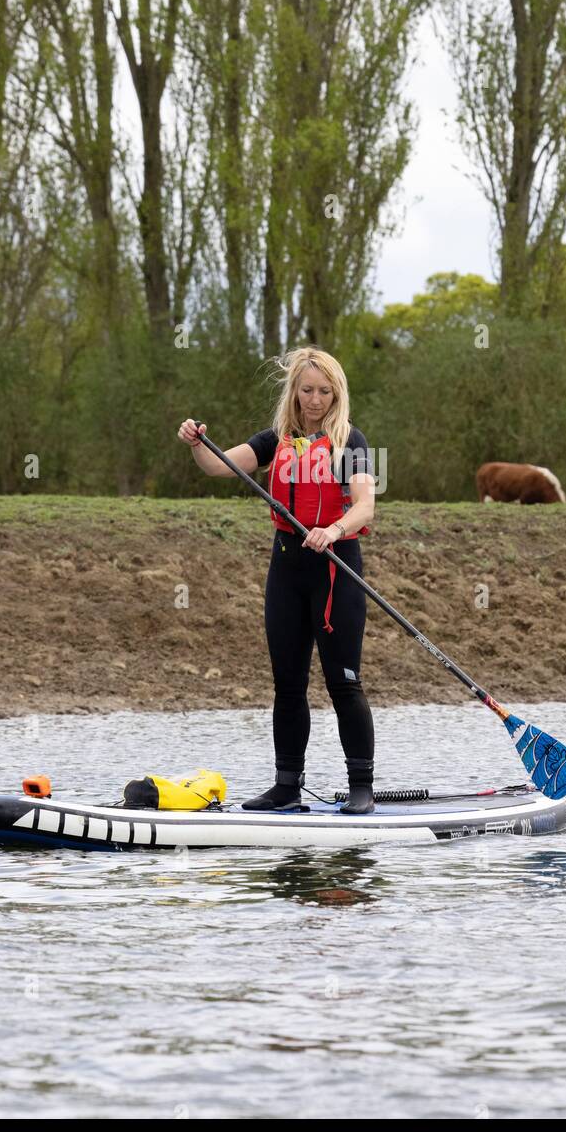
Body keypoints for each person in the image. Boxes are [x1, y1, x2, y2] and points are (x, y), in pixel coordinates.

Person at [177, 347, 376, 813]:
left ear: (337, 393)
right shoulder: (275, 439)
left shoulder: (352, 441)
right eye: (307, 390)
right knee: (287, 685)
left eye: (324, 391)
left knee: (343, 682)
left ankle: (361, 787)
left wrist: (334, 529)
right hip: (287, 570)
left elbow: (366, 505)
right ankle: (287, 787)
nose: (314, 399)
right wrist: (196, 443)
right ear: (294, 391)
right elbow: (219, 466)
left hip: (336, 569)